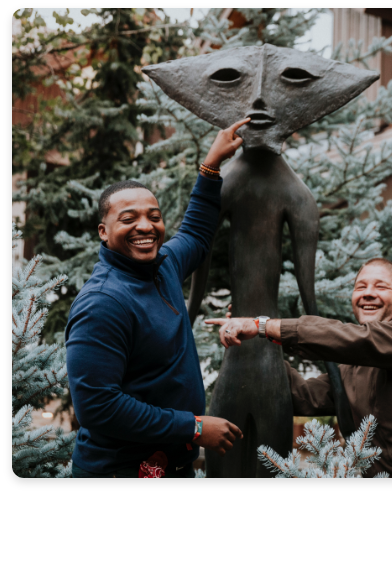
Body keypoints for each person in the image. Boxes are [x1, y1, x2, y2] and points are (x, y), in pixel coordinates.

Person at [66, 118, 253, 478]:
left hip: (170, 466)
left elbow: (197, 235)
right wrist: (194, 427)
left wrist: (211, 166)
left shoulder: (162, 265)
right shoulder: (102, 303)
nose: (146, 226)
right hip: (119, 471)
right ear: (103, 232)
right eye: (129, 218)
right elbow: (98, 406)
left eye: (154, 216)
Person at [203, 257, 392, 478]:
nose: (368, 293)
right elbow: (302, 395)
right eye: (360, 287)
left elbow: (357, 339)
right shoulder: (349, 369)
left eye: (381, 286)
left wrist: (263, 325)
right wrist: (254, 342)